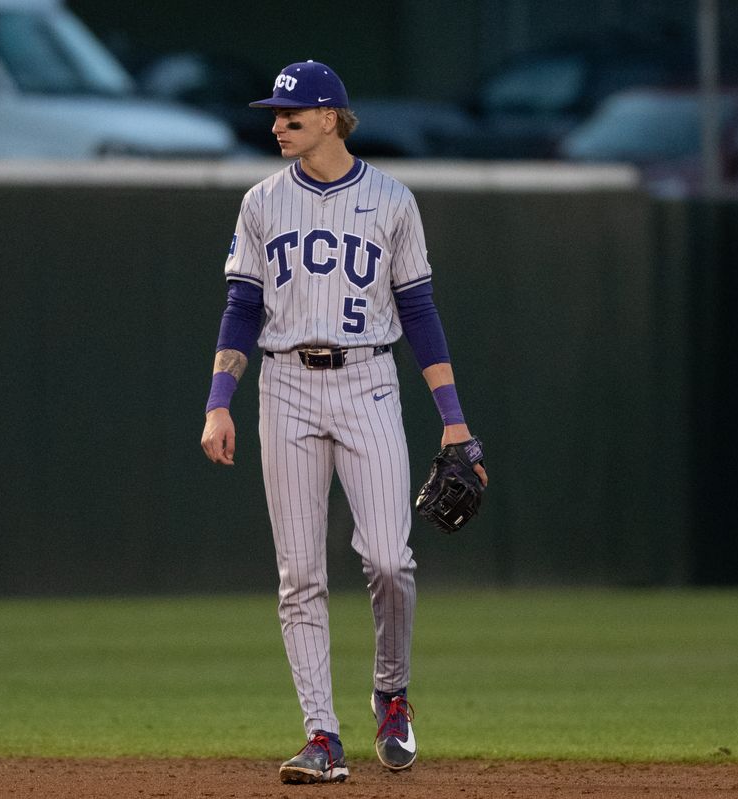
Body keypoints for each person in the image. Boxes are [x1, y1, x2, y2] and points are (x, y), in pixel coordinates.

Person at [200, 60, 486, 785]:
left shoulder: (391, 200)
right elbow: (241, 306)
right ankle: (321, 735)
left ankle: (391, 693)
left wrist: (454, 421)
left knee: (390, 559)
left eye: (290, 116)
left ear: (330, 118)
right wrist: (217, 402)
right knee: (300, 574)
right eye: (275, 115)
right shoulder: (261, 202)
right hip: (286, 384)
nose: (276, 125)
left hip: (368, 379)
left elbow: (419, 313)